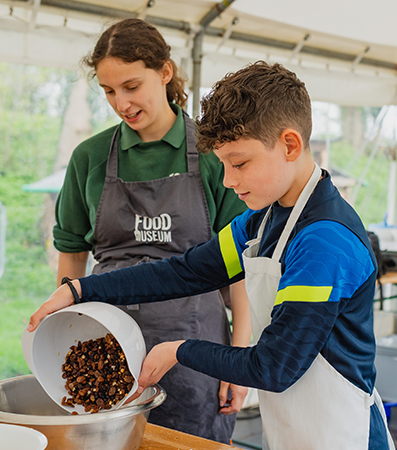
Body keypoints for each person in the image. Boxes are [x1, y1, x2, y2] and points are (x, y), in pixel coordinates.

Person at [30, 61, 396, 449]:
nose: (228, 180)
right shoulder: (262, 220)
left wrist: (179, 350)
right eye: (222, 164)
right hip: (293, 432)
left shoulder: (325, 241)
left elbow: (273, 367)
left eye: (239, 163)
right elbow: (183, 272)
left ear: (290, 144)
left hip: (345, 435)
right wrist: (79, 290)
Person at [53, 18, 250, 443]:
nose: (121, 102)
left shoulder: (215, 154)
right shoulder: (88, 157)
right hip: (104, 345)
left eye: (131, 85)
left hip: (194, 347)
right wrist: (63, 333)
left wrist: (238, 356)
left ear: (164, 72)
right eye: (108, 91)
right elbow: (71, 253)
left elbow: (239, 269)